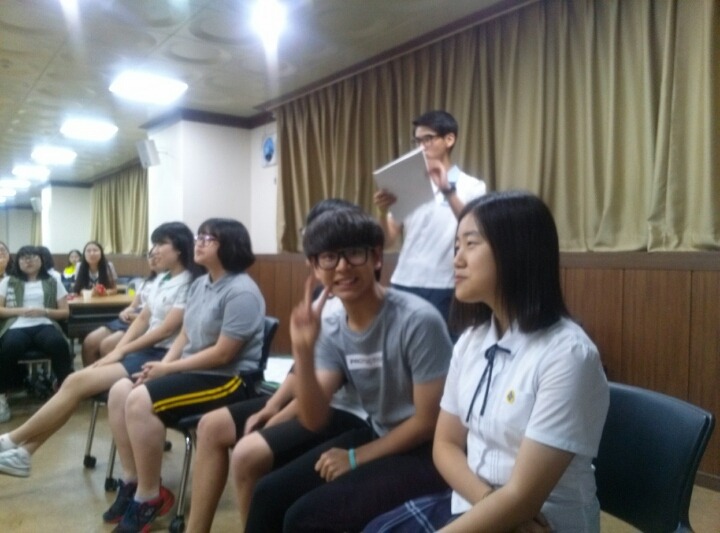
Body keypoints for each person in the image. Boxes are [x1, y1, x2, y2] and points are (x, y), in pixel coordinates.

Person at [364, 192, 610, 532]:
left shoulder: (568, 355)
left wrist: (507, 510)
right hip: (478, 504)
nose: (456, 259)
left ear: (517, 251)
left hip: (545, 522)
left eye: (470, 244)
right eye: (456, 246)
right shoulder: (471, 342)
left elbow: (523, 497)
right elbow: (445, 444)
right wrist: (485, 499)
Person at [244, 209, 453, 533]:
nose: (342, 266)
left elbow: (428, 422)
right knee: (268, 493)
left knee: (305, 517)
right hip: (382, 434)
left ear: (376, 257)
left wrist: (356, 457)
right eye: (329, 257)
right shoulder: (330, 327)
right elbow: (313, 417)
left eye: (354, 253)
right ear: (315, 267)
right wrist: (303, 350)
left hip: (430, 453)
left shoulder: (417, 320)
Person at [185, 199, 368, 532]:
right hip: (311, 398)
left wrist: (279, 417)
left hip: (341, 411)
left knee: (248, 453)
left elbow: (326, 385)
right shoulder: (320, 296)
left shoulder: (355, 302)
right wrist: (271, 405)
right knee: (210, 426)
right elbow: (301, 366)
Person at [105, 218, 266, 533]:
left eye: (209, 238)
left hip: (229, 379)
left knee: (139, 400)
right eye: (199, 236)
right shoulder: (201, 284)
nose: (199, 242)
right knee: (120, 390)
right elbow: (185, 335)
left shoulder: (242, 291)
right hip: (195, 370)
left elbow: (224, 354)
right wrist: (160, 368)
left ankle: (148, 497)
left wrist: (168, 369)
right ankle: (134, 481)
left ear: (230, 246)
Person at [0, 222, 198, 478]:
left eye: (161, 244)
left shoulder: (190, 282)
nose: (155, 250)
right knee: (74, 382)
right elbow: (142, 319)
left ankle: (12, 442)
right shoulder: (164, 278)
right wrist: (120, 349)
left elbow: (165, 331)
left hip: (161, 355)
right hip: (146, 351)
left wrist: (120, 352)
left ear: (180, 248)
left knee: (76, 383)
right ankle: (23, 451)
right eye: (154, 244)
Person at [373, 110, 485, 323]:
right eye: (417, 141)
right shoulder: (408, 185)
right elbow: (387, 241)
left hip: (446, 283)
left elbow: (476, 228)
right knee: (403, 342)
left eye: (428, 139)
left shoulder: (472, 186)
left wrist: (447, 190)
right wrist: (381, 211)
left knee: (445, 343)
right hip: (404, 280)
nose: (421, 147)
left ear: (449, 139)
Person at [0, 246, 73, 424]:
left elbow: (65, 312)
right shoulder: (8, 281)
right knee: (8, 347)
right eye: (24, 258)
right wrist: (21, 311)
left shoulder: (53, 280)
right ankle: (2, 397)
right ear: (17, 262)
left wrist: (44, 311)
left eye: (33, 257)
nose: (28, 261)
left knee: (59, 344)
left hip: (44, 323)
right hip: (17, 324)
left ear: (41, 260)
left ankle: (66, 392)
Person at [81, 249, 159, 367]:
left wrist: (136, 316)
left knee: (107, 345)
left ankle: (105, 377)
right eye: (150, 256)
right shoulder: (146, 282)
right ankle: (91, 375)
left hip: (146, 321)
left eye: (157, 256)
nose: (153, 260)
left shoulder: (170, 283)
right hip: (133, 316)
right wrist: (125, 312)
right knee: (89, 341)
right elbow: (134, 305)